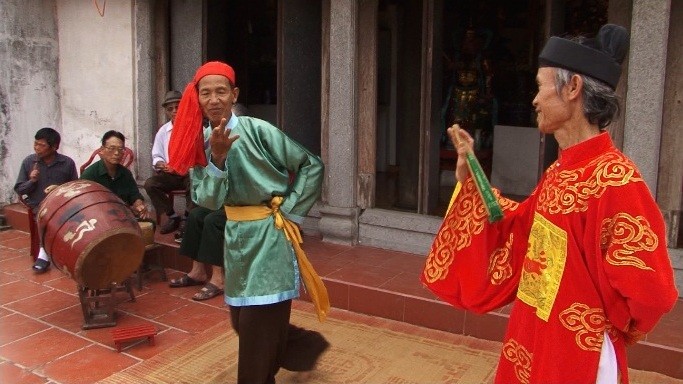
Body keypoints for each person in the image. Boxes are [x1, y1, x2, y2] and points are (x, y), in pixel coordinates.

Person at [422, 24, 678, 384]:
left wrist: (607, 325)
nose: (534, 100)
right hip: (535, 331)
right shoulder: (562, 169)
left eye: (541, 87)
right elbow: (517, 225)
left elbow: (653, 292)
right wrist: (472, 176)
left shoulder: (617, 181)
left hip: (578, 350)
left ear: (572, 88)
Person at [168, 61, 329, 383]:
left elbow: (311, 165)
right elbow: (207, 200)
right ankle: (306, 346)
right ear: (197, 99)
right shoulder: (199, 142)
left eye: (221, 92)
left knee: (255, 328)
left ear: (234, 94)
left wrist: (290, 212)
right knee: (242, 321)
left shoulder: (258, 130)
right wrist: (217, 159)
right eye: (206, 93)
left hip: (270, 233)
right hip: (236, 236)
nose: (214, 100)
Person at [169, 103, 249, 301]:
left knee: (213, 220)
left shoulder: (247, 141)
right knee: (196, 215)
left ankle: (218, 278)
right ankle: (198, 271)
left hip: (244, 204)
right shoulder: (212, 139)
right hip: (223, 200)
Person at [14, 127, 79, 273]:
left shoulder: (67, 163)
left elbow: (75, 187)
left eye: (41, 145)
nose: (36, 148)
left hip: (62, 205)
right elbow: (19, 189)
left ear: (54, 146)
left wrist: (59, 188)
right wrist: (32, 181)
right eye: (35, 144)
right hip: (38, 206)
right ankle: (43, 253)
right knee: (44, 217)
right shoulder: (29, 162)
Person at [143, 90, 193, 234]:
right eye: (170, 109)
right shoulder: (163, 131)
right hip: (171, 174)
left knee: (196, 181)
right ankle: (172, 216)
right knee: (150, 184)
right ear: (166, 111)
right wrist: (160, 164)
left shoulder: (193, 127)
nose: (175, 111)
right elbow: (157, 156)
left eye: (178, 107)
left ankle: (187, 218)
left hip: (189, 173)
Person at [80, 130, 151, 220]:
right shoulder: (90, 174)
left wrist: (139, 205)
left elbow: (134, 195)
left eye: (120, 149)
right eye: (111, 148)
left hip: (122, 215)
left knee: (149, 223)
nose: (116, 153)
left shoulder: (125, 173)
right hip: (99, 218)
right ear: (102, 150)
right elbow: (83, 203)